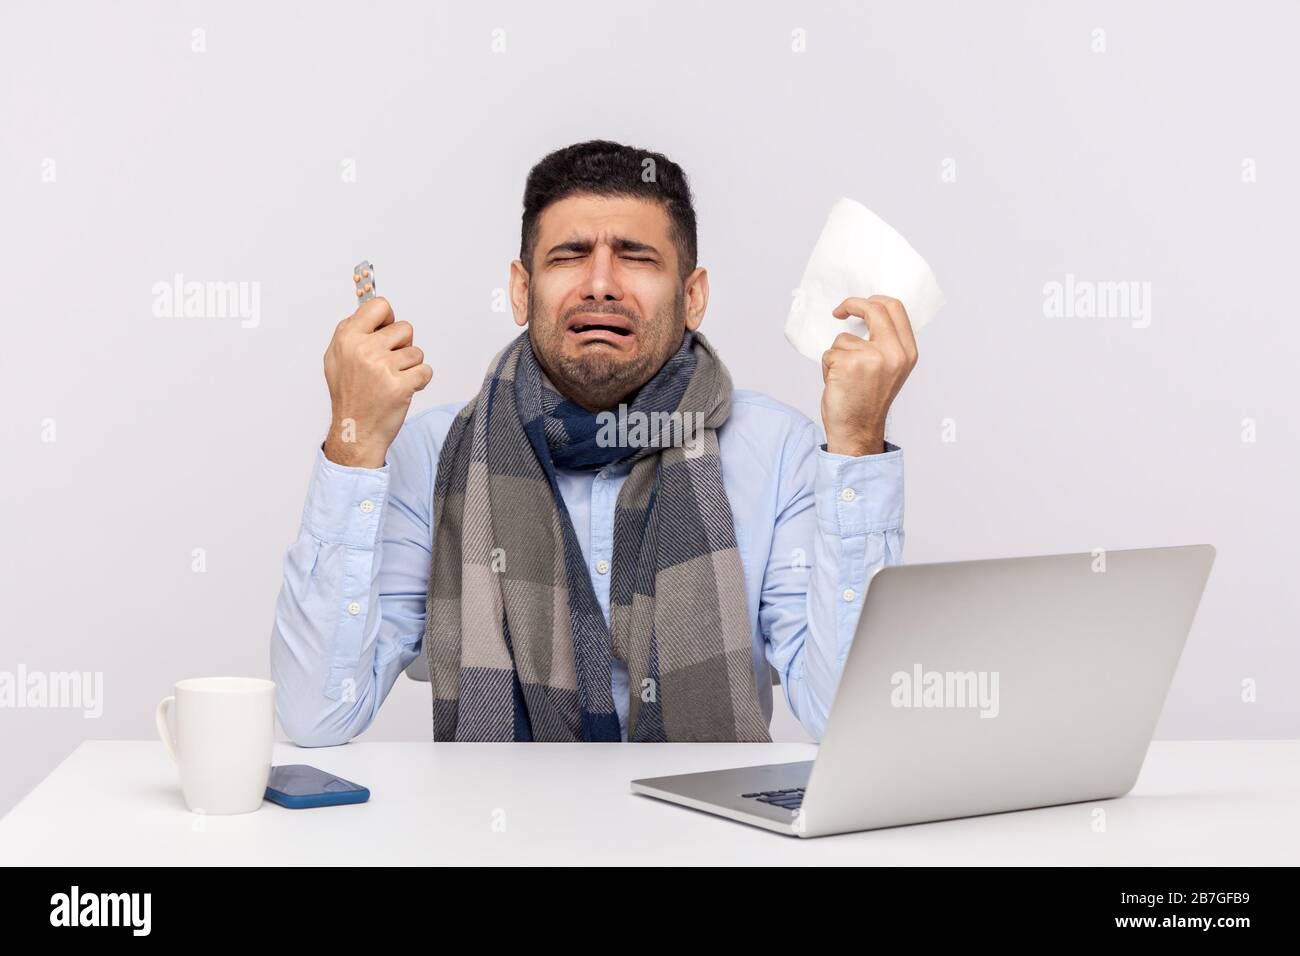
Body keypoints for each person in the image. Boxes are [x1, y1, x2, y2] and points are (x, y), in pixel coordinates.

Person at [271, 139, 918, 746]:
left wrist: (858, 444)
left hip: (706, 840)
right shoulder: (434, 453)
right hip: (493, 835)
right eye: (569, 255)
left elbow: (850, 720)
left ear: (693, 297)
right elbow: (315, 714)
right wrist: (354, 443)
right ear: (523, 291)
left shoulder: (778, 451)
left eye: (636, 256)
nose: (601, 282)